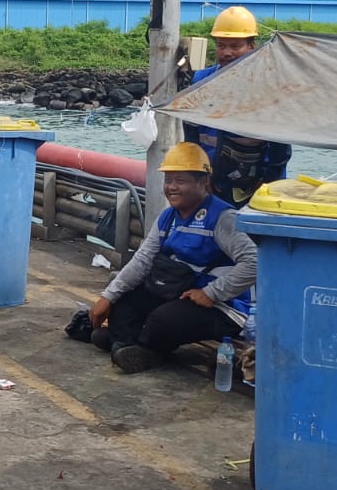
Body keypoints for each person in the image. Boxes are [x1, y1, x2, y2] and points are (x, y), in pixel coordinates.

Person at [87, 142, 258, 373]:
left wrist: (212, 293)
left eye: (181, 180)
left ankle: (139, 347)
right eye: (168, 180)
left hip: (222, 307)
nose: (172, 187)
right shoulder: (168, 217)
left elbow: (254, 262)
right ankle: (130, 344)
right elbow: (143, 260)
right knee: (123, 304)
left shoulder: (222, 218)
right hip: (178, 293)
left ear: (204, 182)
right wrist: (108, 297)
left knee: (163, 321)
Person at [184, 5, 292, 208]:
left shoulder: (269, 85)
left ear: (251, 46)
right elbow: (191, 135)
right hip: (212, 181)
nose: (226, 52)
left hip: (259, 183)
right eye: (221, 45)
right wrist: (200, 175)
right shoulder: (201, 80)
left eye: (235, 46)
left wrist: (268, 181)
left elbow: (280, 145)